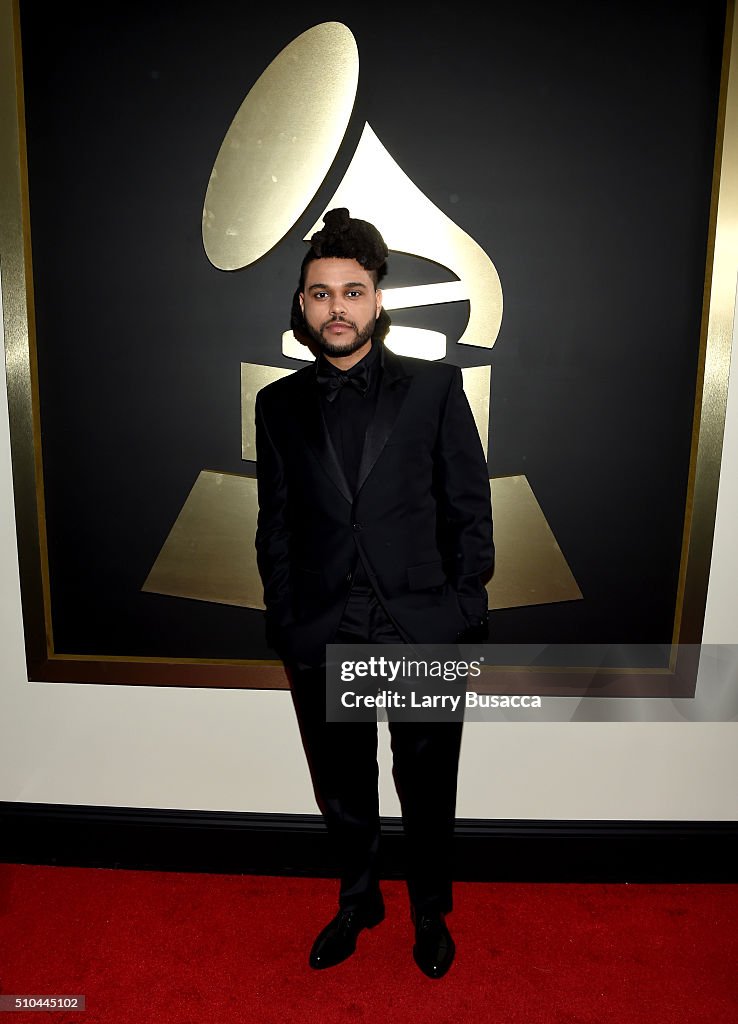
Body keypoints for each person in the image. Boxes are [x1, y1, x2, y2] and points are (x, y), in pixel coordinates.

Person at [254, 208, 494, 978]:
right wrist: (288, 619)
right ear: (302, 306)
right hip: (325, 627)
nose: (337, 308)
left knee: (427, 784)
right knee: (345, 785)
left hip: (419, 622)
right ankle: (359, 899)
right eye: (320, 294)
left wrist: (463, 607)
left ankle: (429, 909)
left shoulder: (434, 387)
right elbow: (278, 524)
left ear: (378, 301)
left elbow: (468, 507)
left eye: (352, 292)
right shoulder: (280, 404)